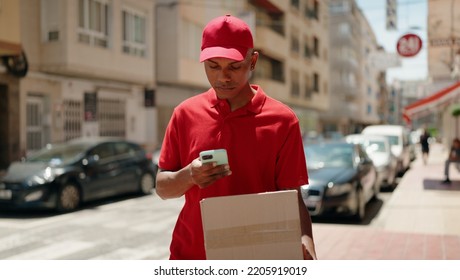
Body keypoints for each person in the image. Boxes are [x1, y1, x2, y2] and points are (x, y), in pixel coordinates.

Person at [155, 14, 317, 260]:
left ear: (253, 62)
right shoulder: (184, 114)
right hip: (191, 257)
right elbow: (163, 188)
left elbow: (292, 199)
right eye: (213, 66)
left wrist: (308, 248)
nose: (223, 77)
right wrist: (190, 175)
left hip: (258, 258)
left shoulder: (283, 121)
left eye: (234, 66)